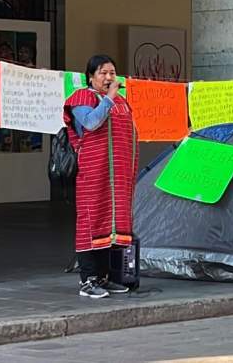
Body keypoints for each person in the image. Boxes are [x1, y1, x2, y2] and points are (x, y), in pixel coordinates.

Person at [63, 55, 138, 299]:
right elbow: (92, 123)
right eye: (103, 73)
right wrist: (109, 98)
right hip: (93, 174)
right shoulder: (81, 99)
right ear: (90, 77)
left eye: (112, 73)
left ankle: (104, 278)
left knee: (110, 225)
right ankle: (88, 281)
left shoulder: (121, 102)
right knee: (90, 223)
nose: (109, 78)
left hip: (117, 176)